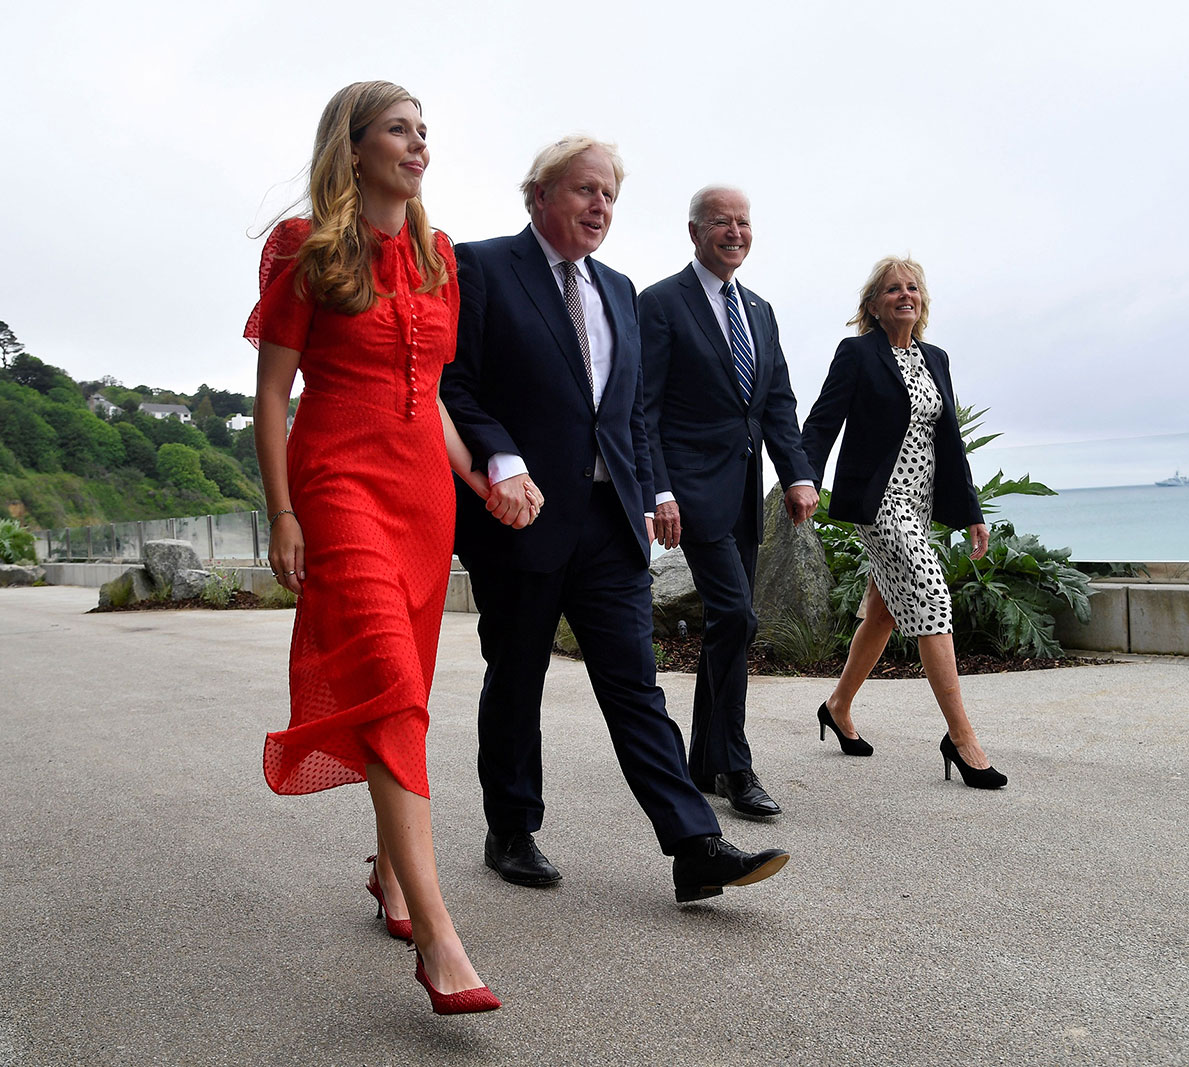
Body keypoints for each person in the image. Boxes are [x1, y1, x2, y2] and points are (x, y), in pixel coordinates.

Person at [440, 137, 791, 902]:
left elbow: (631, 412)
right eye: (584, 191)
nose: (599, 207)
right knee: (517, 676)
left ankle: (694, 843)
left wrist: (649, 492)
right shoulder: (484, 266)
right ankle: (512, 827)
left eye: (609, 196)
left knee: (635, 684)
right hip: (520, 517)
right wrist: (501, 460)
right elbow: (454, 385)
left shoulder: (619, 288)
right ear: (539, 196)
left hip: (608, 525)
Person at [247, 81, 522, 1015]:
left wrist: (477, 477)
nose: (419, 147)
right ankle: (442, 937)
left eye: (424, 132)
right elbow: (273, 395)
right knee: (391, 685)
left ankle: (390, 873)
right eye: (400, 131)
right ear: (353, 147)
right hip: (336, 484)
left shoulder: (438, 255)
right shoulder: (304, 248)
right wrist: (283, 514)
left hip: (421, 497)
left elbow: (433, 392)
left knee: (397, 684)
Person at [638, 185, 819, 820]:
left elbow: (777, 403)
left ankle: (703, 761)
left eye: (743, 221)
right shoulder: (659, 303)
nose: (735, 231)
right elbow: (645, 409)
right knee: (738, 616)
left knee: (728, 624)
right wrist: (657, 490)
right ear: (694, 231)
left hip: (743, 494)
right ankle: (736, 767)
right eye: (722, 222)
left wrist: (797, 474)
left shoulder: (761, 311)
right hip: (689, 493)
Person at [799, 256, 1007, 789]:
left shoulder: (935, 358)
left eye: (912, 287)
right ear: (873, 304)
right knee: (932, 596)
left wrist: (972, 513)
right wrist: (802, 480)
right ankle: (961, 738)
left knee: (884, 612)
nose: (905, 295)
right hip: (880, 502)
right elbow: (823, 421)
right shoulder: (858, 353)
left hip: (919, 504)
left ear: (923, 300)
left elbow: (950, 441)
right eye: (893, 289)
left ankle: (838, 704)